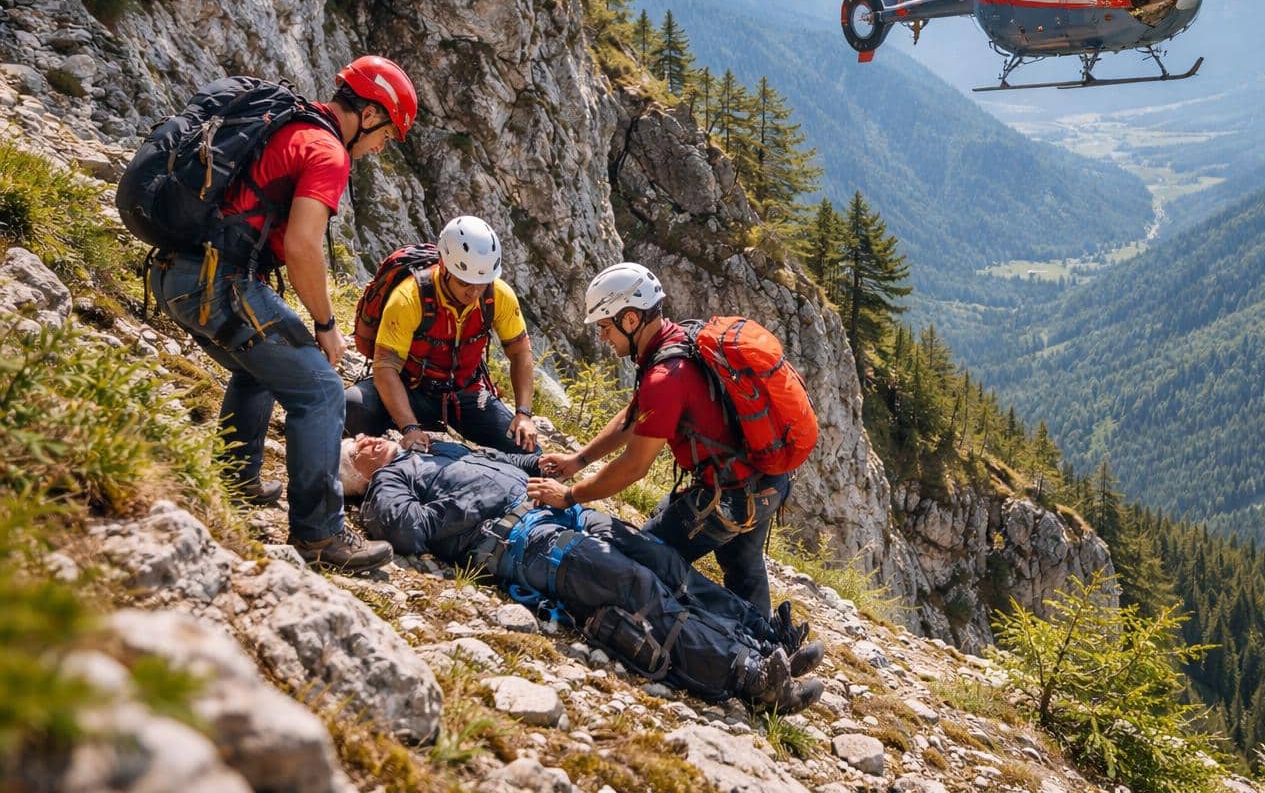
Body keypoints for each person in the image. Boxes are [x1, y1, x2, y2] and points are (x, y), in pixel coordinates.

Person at [148, 56, 418, 573]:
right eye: (388, 134)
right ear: (371, 114)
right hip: (214, 280)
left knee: (263, 365)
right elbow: (302, 248)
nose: (383, 146)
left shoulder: (293, 123)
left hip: (174, 271)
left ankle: (236, 478)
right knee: (319, 389)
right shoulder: (327, 151)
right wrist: (325, 324)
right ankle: (320, 535)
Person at [345, 436, 823, 712]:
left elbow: (496, 461)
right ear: (359, 476)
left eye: (359, 436)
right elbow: (410, 532)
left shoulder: (429, 447)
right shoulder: (389, 481)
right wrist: (387, 485)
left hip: (554, 511)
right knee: (633, 585)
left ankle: (763, 636)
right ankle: (747, 676)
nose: (364, 441)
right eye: (354, 451)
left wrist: (539, 464)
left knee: (663, 559)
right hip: (524, 541)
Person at [531, 263, 790, 617]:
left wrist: (570, 495)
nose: (603, 337)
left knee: (648, 557)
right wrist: (578, 461)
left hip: (731, 494)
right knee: (742, 566)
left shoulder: (664, 377)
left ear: (632, 319)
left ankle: (737, 638)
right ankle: (773, 642)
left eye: (606, 327)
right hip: (768, 481)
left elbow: (634, 466)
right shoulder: (677, 341)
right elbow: (632, 416)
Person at [344, 216, 540, 458]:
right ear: (444, 267)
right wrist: (410, 427)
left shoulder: (498, 295)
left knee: (528, 451)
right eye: (464, 282)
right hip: (410, 389)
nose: (474, 291)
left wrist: (523, 414)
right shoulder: (409, 297)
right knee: (351, 407)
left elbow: (520, 352)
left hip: (465, 393)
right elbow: (385, 366)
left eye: (482, 283)